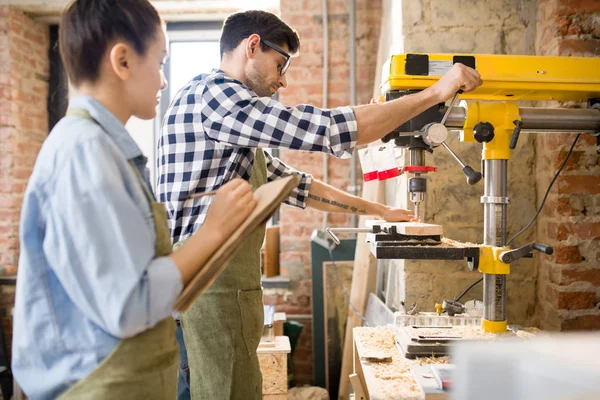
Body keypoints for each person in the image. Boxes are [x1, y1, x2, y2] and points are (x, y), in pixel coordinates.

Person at [157, 10, 482, 400]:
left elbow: (298, 186)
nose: (282, 80)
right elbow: (326, 129)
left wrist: (378, 210)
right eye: (280, 64)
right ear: (252, 46)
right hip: (207, 290)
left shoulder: (231, 126)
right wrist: (433, 94)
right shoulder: (218, 96)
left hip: (214, 291)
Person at [11, 1, 256, 398]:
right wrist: (213, 231)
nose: (163, 81)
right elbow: (129, 305)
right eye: (159, 63)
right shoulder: (84, 152)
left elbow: (149, 282)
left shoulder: (109, 149)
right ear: (122, 61)